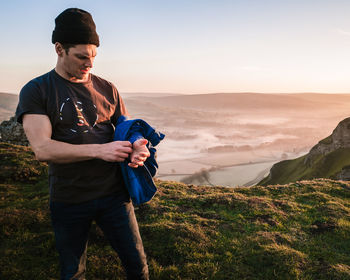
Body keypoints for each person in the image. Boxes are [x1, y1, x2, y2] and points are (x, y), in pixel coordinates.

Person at [16, 8, 150, 280]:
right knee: (73, 272)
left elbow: (126, 129)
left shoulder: (107, 88)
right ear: (59, 49)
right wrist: (101, 151)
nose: (89, 65)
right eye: (81, 57)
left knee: (138, 266)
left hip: (114, 196)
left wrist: (138, 146)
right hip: (69, 198)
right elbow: (42, 148)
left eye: (93, 57)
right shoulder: (37, 90)